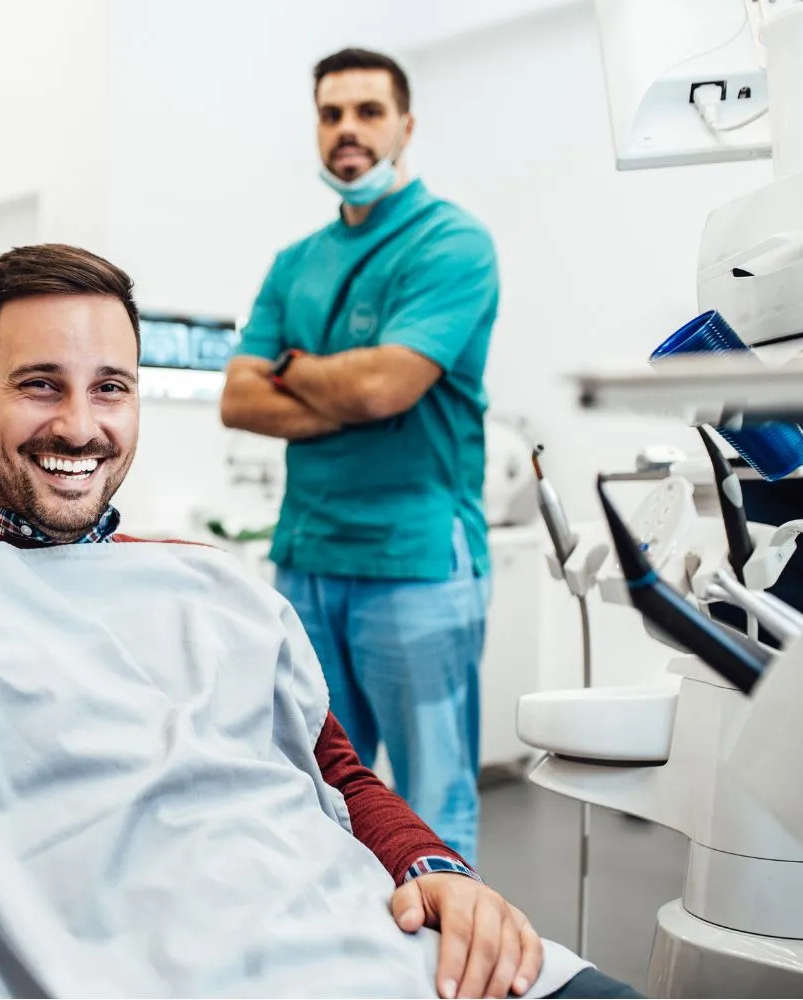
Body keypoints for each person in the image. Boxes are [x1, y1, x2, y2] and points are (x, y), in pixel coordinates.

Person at [0, 244, 636, 999]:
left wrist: (436, 870)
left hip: (403, 956)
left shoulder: (210, 584)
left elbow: (336, 773)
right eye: (40, 385)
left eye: (110, 388)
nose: (80, 427)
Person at [220, 48, 497, 864]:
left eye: (368, 112)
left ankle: (449, 980)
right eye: (331, 113)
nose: (348, 130)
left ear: (405, 126)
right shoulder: (293, 262)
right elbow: (238, 399)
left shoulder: (453, 244)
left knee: (430, 801)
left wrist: (298, 372)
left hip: (417, 563)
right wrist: (348, 393)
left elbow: (387, 389)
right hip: (306, 557)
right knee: (313, 791)